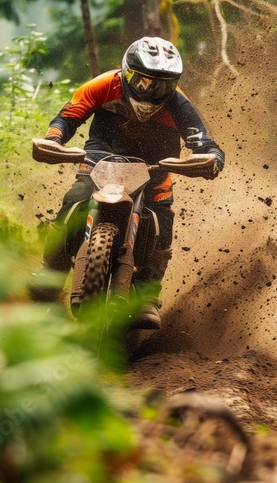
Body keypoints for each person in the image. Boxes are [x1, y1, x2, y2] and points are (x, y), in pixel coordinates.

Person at [37, 36, 225, 329]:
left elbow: (203, 140)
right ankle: (50, 272)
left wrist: (211, 159)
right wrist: (54, 141)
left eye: (161, 85)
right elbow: (68, 116)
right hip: (101, 154)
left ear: (173, 84)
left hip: (156, 165)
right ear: (126, 73)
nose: (149, 90)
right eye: (141, 81)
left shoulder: (179, 103)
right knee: (75, 198)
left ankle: (147, 295)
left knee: (163, 223)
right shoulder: (103, 84)